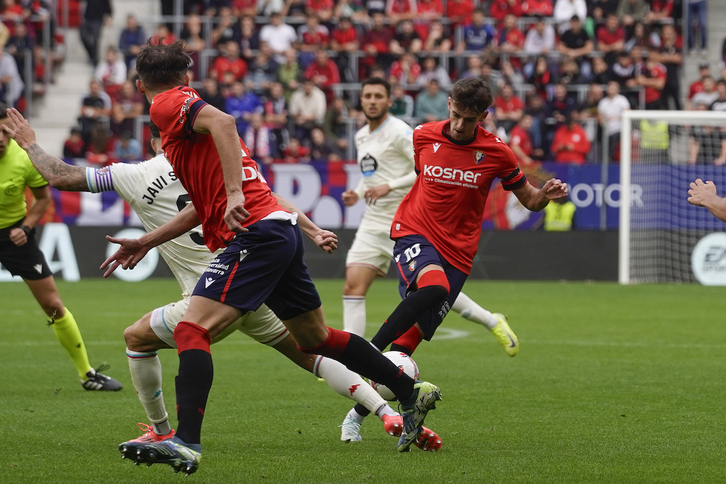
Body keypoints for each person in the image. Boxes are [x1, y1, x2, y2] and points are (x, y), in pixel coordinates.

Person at [4, 114, 441, 452]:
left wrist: (30, 143)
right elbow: (263, 200)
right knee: (314, 345)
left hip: (213, 290)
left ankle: (166, 434)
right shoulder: (209, 165)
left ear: (156, 140)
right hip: (256, 279)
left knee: (137, 338)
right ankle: (390, 410)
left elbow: (62, 177)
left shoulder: (135, 173)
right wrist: (309, 229)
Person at [104, 40, 443, 472]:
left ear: (140, 85)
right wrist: (149, 240)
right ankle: (411, 394)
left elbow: (224, 122)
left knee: (192, 328)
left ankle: (185, 440)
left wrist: (230, 195)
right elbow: (200, 203)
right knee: (314, 339)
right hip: (277, 229)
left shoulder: (166, 105)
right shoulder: (187, 118)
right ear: (187, 76)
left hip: (255, 234)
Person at [350, 76, 566, 442]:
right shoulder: (423, 136)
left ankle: (364, 418)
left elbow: (529, 200)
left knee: (404, 349)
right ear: (449, 104)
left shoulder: (497, 152)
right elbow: (420, 180)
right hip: (414, 230)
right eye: (457, 115)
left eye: (471, 119)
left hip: (460, 252)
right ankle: (368, 348)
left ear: (484, 115)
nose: (460, 125)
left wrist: (545, 194)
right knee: (433, 287)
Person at [0, 104, 121, 391]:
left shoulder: (25, 159)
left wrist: (27, 227)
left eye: (6, 131)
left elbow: (42, 200)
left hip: (15, 234)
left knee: (53, 306)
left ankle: (87, 374)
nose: (2, 138)